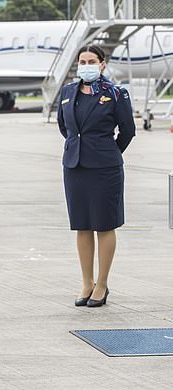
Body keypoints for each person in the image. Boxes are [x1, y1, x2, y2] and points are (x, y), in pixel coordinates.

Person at [57, 44, 135, 308]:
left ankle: (102, 284)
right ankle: (86, 282)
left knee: (104, 225)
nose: (86, 65)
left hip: (104, 168)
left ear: (102, 64)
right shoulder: (68, 92)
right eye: (82, 61)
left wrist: (107, 151)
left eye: (92, 61)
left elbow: (128, 130)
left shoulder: (115, 93)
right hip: (75, 166)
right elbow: (64, 127)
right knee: (82, 225)